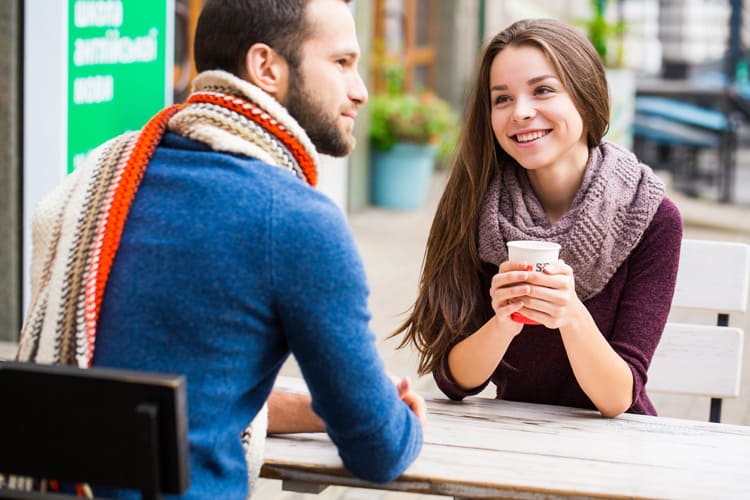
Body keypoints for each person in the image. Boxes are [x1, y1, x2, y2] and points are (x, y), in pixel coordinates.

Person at [16, 0, 425, 498]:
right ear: (266, 67)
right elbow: (377, 450)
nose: (359, 90)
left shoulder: (101, 183)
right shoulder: (294, 220)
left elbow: (176, 396)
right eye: (341, 63)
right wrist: (398, 421)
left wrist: (321, 409)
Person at [394, 18, 682, 418]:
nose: (521, 113)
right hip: (512, 436)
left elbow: (618, 398)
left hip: (616, 447)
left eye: (543, 90)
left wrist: (569, 314)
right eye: (502, 99)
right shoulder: (479, 208)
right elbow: (453, 380)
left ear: (586, 96)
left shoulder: (648, 215)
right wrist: (503, 322)